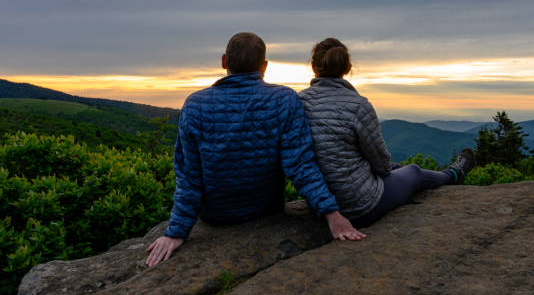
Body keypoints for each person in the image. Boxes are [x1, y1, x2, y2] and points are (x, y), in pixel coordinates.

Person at [146, 32, 365, 266]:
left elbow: (189, 176)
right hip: (266, 210)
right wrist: (332, 213)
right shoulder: (284, 100)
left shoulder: (195, 104)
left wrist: (175, 232)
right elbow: (300, 165)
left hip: (217, 216)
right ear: (264, 66)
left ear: (224, 62)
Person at [298, 38, 475, 228]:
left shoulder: (297, 102)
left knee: (395, 167)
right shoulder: (358, 105)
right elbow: (381, 166)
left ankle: (410, 170)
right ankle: (454, 174)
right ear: (348, 68)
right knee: (413, 171)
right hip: (360, 207)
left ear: (314, 66)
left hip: (319, 208)